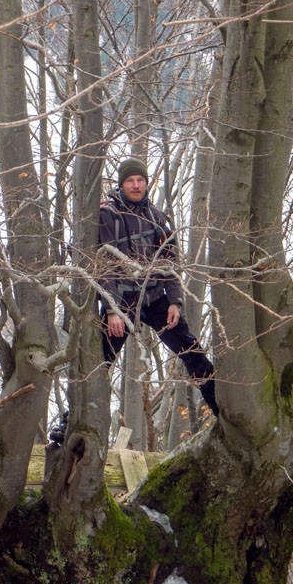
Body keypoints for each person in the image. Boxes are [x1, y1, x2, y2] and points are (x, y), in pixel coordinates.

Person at [97, 157, 218, 417]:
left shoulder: (157, 216)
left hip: (154, 298)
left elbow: (168, 262)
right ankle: (69, 424)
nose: (136, 185)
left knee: (192, 350)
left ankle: (223, 410)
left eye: (140, 180)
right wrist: (111, 310)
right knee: (97, 364)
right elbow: (102, 265)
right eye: (130, 180)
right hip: (121, 301)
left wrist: (174, 301)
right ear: (121, 184)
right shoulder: (108, 215)